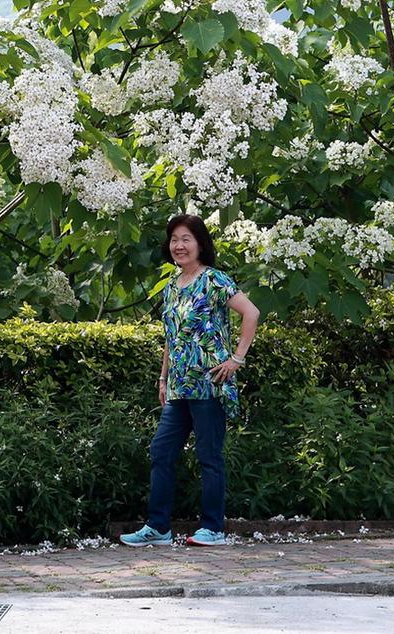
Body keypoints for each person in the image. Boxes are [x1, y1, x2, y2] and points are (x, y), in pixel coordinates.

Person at [120, 213, 260, 548]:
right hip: (180, 387)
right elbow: (172, 337)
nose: (179, 245)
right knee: (161, 451)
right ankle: (158, 528)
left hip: (210, 382)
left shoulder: (214, 280)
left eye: (186, 239)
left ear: (200, 244)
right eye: (174, 240)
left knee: (209, 456)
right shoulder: (171, 287)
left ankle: (212, 529)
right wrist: (163, 377)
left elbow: (251, 313)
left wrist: (236, 359)